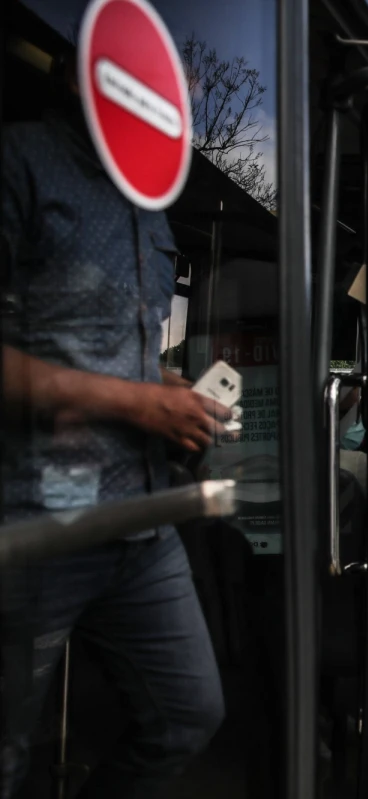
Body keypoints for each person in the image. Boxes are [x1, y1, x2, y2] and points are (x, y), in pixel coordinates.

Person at [1, 59, 228, 794]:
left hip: (140, 518)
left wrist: (167, 393)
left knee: (189, 712)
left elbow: (106, 350)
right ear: (82, 76)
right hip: (36, 523)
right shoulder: (20, 162)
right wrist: (139, 405)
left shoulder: (150, 204)